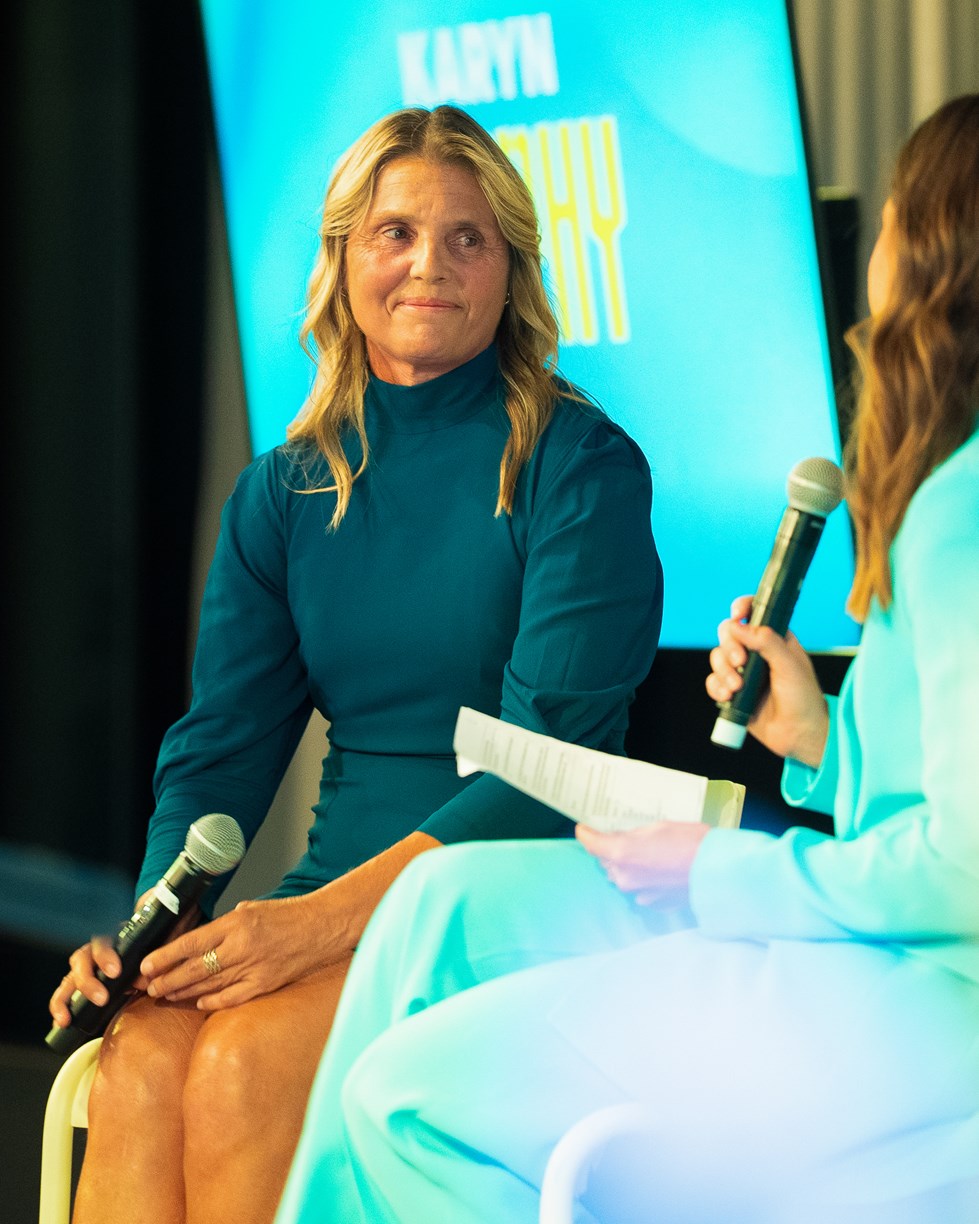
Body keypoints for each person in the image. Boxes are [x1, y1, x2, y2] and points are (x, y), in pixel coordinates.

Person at [275, 94, 979, 1223]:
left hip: (923, 986)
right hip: (890, 939)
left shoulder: (957, 512)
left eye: (893, 219)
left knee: (402, 1101)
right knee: (435, 902)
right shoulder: (951, 488)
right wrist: (820, 743)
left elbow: (963, 879)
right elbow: (936, 801)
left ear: (936, 256)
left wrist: (716, 869)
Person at [47, 105, 663, 1224]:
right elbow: (219, 753)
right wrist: (158, 927)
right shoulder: (282, 492)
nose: (430, 265)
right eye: (395, 233)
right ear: (342, 260)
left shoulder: (581, 467)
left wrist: (317, 925)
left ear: (511, 271)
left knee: (243, 1065)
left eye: (468, 238)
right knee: (139, 1057)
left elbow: (544, 770)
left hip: (506, 906)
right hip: (326, 902)